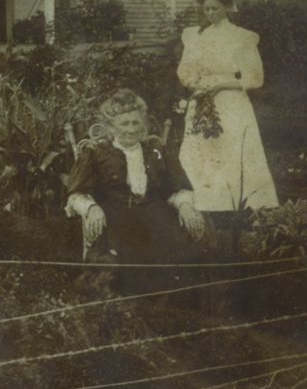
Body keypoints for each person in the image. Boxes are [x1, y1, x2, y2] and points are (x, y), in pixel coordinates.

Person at [65, 89, 205, 267]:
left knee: (179, 252)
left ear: (142, 125)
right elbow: (76, 194)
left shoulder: (155, 150)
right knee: (125, 258)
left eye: (135, 123)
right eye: (124, 123)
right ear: (111, 126)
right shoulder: (96, 153)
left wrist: (185, 205)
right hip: (117, 217)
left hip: (155, 214)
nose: (131, 130)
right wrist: (91, 208)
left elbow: (175, 187)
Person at [177, 0, 278, 213]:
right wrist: (197, 86)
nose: (210, 13)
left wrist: (221, 85)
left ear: (227, 8)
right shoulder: (195, 36)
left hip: (231, 99)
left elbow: (255, 78)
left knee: (232, 147)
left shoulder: (241, 37)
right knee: (201, 148)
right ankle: (207, 203)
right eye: (206, 9)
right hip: (202, 97)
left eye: (215, 8)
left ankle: (242, 204)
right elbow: (186, 71)